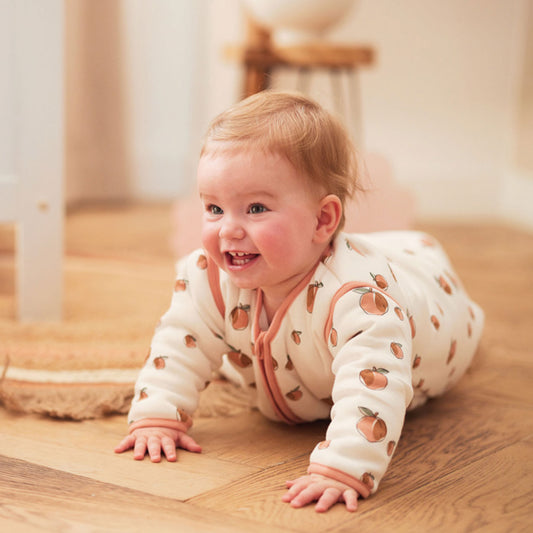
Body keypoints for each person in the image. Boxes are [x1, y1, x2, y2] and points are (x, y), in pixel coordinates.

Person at [115, 91, 484, 513]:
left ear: (323, 220)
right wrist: (158, 414)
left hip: (434, 317)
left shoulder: (360, 298)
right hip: (303, 362)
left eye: (255, 208)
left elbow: (374, 383)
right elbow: (181, 340)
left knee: (426, 309)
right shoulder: (208, 276)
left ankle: (429, 281)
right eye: (214, 208)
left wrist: (343, 466)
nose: (228, 230)